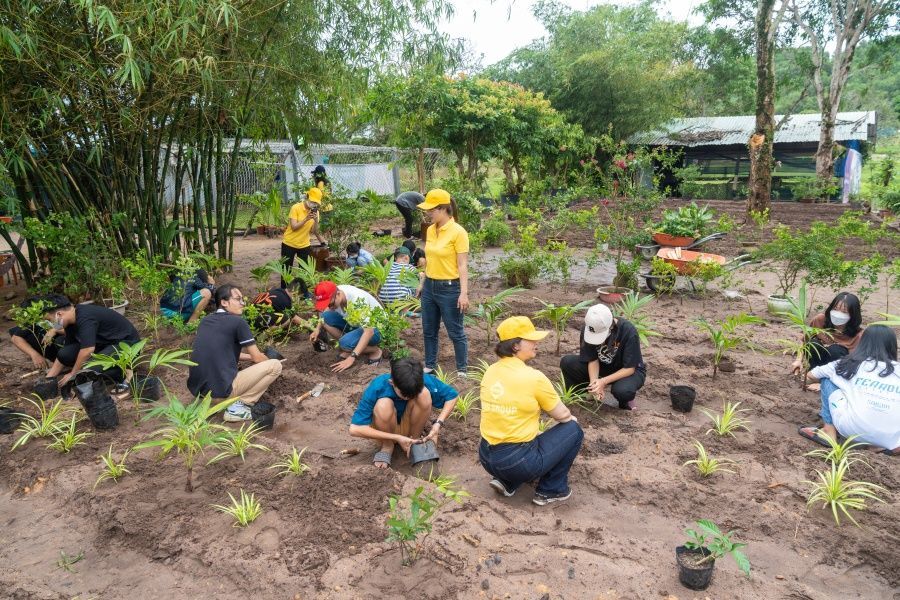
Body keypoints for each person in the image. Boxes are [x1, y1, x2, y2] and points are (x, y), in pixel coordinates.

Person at [478, 317, 584, 506]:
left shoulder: (490, 371)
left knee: (526, 433)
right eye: (531, 340)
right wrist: (570, 421)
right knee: (573, 430)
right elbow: (562, 415)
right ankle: (551, 489)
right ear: (515, 346)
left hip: (486, 457)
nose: (537, 343)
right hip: (516, 461)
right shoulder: (533, 377)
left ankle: (506, 481)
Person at [187, 285, 283, 422]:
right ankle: (238, 407)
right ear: (224, 302)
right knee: (275, 366)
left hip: (200, 395)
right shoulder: (238, 322)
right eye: (238, 299)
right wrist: (266, 359)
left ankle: (211, 404)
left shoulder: (205, 321)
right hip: (220, 395)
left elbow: (220, 351)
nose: (243, 303)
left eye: (242, 299)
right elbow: (257, 358)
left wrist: (250, 357)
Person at [799, 325, 900, 454]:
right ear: (892, 346)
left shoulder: (847, 364)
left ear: (863, 343)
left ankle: (828, 432)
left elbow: (810, 376)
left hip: (852, 429)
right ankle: (888, 445)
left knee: (827, 380)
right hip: (892, 439)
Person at [349, 358, 459, 468]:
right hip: (385, 429)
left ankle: (414, 441)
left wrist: (437, 424)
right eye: (404, 395)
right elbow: (355, 429)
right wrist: (396, 437)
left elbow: (452, 396)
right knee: (383, 404)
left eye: (412, 395)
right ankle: (387, 446)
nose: (408, 398)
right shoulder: (379, 385)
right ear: (392, 382)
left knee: (424, 394)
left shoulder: (417, 379)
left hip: (409, 424)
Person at [417, 189, 469, 376]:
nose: (427, 213)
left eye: (431, 210)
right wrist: (423, 281)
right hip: (430, 286)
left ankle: (462, 369)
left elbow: (462, 265)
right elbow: (429, 259)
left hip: (449, 288)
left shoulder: (458, 232)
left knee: (455, 331)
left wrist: (464, 293)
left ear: (442, 209)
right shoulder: (431, 230)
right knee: (429, 329)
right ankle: (430, 365)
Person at [559, 303, 646, 410]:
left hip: (627, 371)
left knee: (623, 391)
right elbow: (592, 359)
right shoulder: (589, 328)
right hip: (603, 366)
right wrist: (594, 385)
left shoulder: (628, 331)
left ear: (611, 326)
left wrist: (603, 382)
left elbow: (629, 368)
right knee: (567, 362)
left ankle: (626, 402)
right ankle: (581, 396)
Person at [41, 294, 141, 385]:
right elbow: (68, 349)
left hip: (127, 345)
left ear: (59, 314)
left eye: (50, 320)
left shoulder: (85, 317)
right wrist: (49, 378)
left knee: (88, 370)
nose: (52, 324)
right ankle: (99, 369)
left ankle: (121, 373)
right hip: (105, 344)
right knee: (65, 353)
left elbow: (87, 350)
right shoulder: (71, 320)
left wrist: (73, 374)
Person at [310, 281, 384, 372]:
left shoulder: (358, 301)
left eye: (331, 304)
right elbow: (326, 309)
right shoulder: (335, 291)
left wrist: (352, 357)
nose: (330, 307)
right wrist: (317, 329)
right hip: (357, 325)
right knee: (325, 317)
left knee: (344, 343)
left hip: (377, 329)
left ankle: (375, 351)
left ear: (338, 294)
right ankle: (350, 345)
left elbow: (369, 332)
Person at [792, 292, 863, 377]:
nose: (838, 314)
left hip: (836, 372)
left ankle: (824, 379)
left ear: (853, 315)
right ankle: (812, 374)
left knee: (835, 350)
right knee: (813, 343)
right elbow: (804, 341)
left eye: (844, 312)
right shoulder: (820, 320)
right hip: (816, 364)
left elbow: (855, 363)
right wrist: (798, 360)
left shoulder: (858, 335)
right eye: (836, 309)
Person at [282, 187, 326, 295]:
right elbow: (294, 227)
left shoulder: (316, 213)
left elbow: (314, 231)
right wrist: (306, 219)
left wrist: (315, 220)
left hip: (304, 244)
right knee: (285, 270)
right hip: (289, 243)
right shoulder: (296, 208)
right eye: (312, 201)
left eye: (316, 203)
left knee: (304, 271)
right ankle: (283, 291)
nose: (314, 205)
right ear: (307, 197)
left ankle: (303, 292)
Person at [9, 297, 66, 368]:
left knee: (60, 340)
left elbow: (69, 329)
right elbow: (15, 338)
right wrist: (34, 354)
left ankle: (66, 362)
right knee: (15, 331)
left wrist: (54, 330)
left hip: (70, 344)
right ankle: (56, 361)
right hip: (52, 348)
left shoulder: (54, 313)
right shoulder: (35, 321)